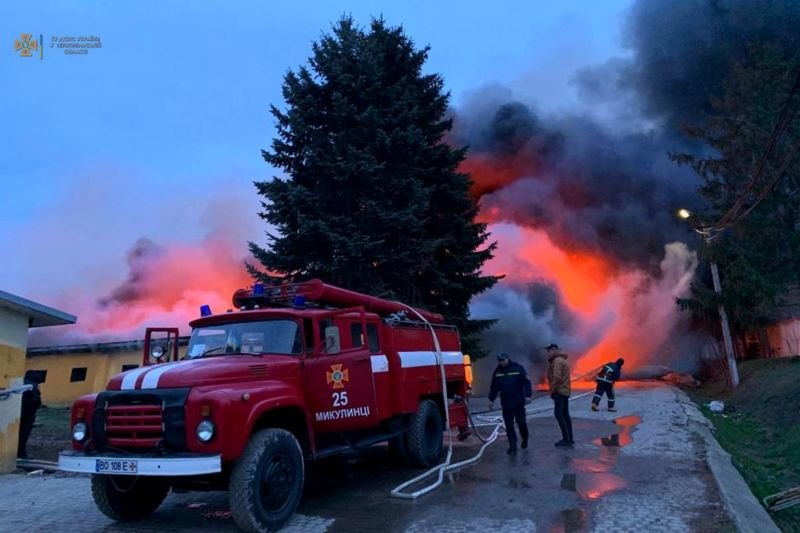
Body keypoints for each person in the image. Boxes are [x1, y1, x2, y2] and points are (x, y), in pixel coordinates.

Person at [488, 353, 532, 454]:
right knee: (509, 425)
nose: (501, 362)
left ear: (507, 359)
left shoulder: (517, 369)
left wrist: (528, 395)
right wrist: (491, 399)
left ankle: (525, 438)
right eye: (499, 360)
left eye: (503, 360)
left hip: (518, 402)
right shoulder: (497, 372)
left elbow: (526, 382)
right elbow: (494, 387)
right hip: (506, 403)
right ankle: (512, 445)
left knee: (521, 422)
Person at [546, 343, 574, 447]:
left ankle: (566, 439)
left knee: (559, 414)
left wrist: (553, 389)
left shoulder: (557, 361)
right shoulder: (562, 360)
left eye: (548, 351)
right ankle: (570, 438)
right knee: (565, 415)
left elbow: (557, 377)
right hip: (564, 391)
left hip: (559, 392)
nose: (547, 354)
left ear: (554, 349)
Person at [17, 371, 42, 459]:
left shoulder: (19, 384)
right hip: (28, 415)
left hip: (16, 414)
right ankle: (21, 453)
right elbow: (37, 402)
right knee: (24, 434)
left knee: (16, 433)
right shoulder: (32, 386)